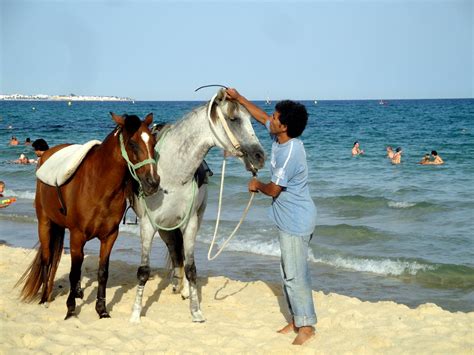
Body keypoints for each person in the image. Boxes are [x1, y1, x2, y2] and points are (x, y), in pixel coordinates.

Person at [226, 88, 317, 346]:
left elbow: (275, 189)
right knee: (288, 271)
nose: (271, 119)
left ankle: (307, 326)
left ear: (284, 126)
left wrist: (257, 185)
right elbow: (259, 116)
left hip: (297, 220)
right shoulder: (281, 139)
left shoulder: (290, 152)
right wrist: (238, 97)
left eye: (275, 117)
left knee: (295, 274)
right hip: (287, 218)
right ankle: (297, 319)